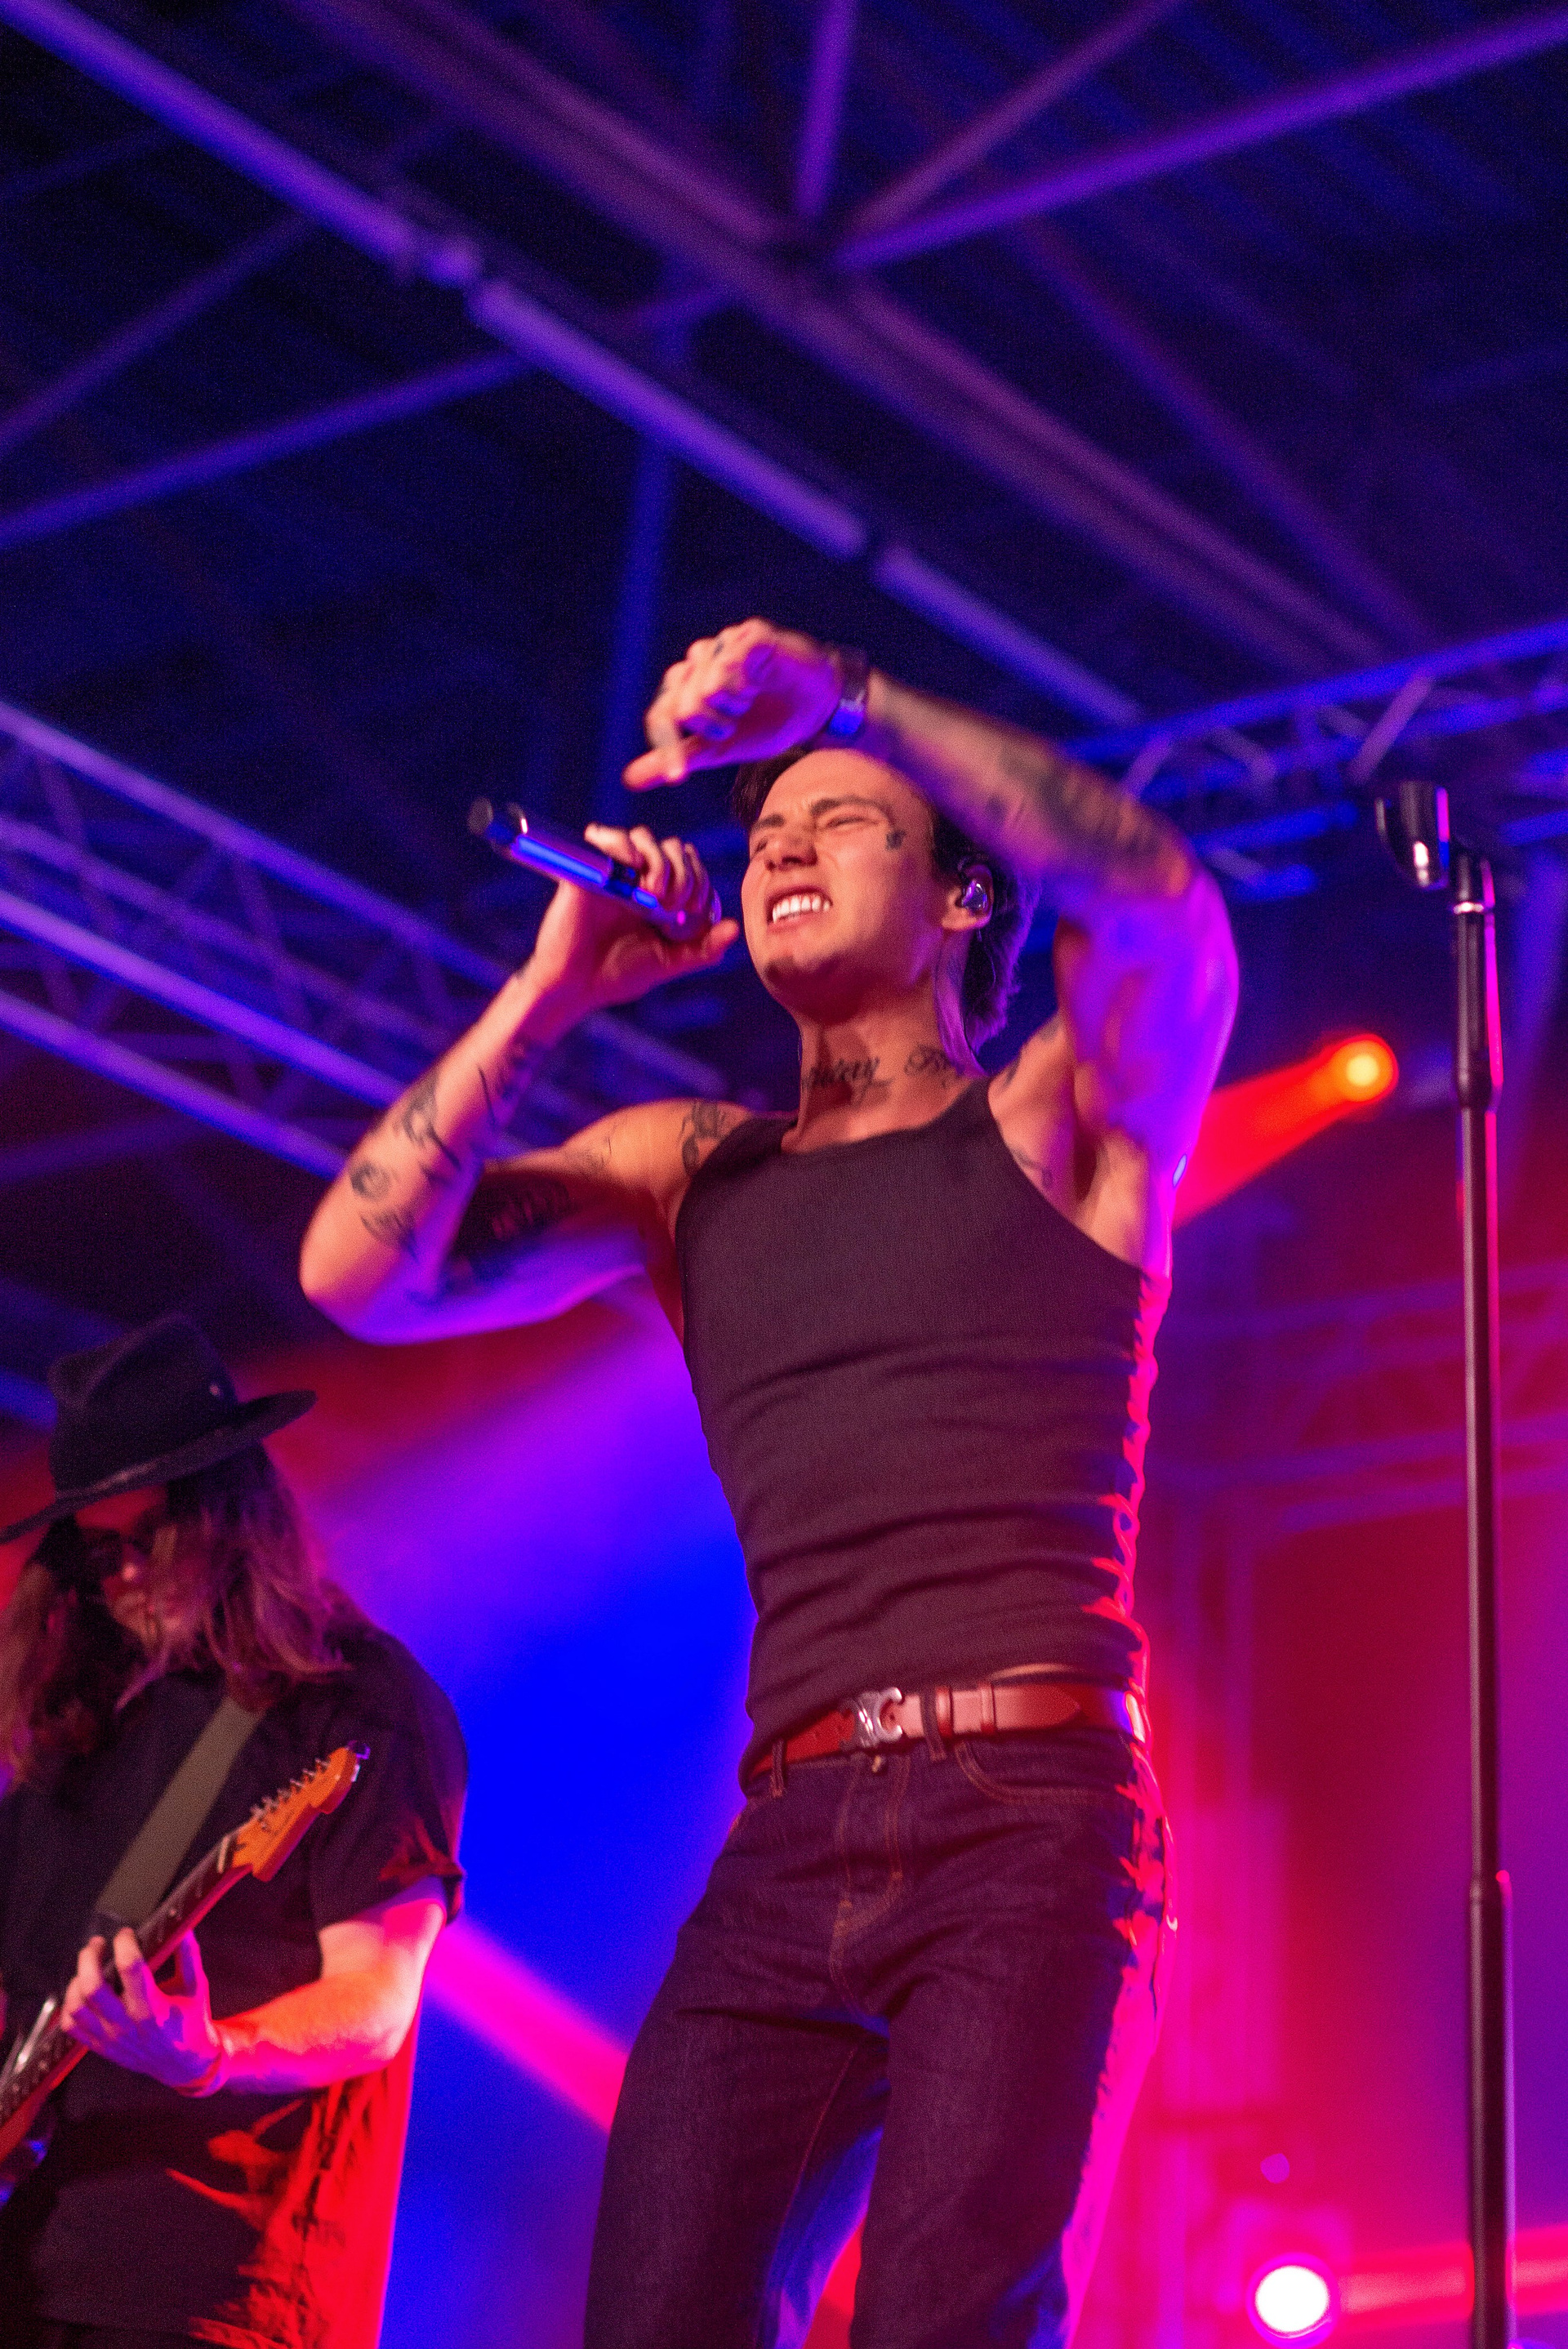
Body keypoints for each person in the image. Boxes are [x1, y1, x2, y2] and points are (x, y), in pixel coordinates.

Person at [299, 617, 1237, 2348]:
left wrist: (857, 699)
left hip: (1032, 1811)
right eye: (768, 829)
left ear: (962, 896)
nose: (784, 843)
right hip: (793, 1828)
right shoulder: (688, 1172)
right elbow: (360, 1275)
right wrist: (553, 989)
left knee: (948, 2318)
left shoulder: (1056, 1121)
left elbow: (1164, 907)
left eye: (843, 818)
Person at [0, 1313, 466, 2349]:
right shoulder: (75, 1737)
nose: (124, 1574)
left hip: (214, 2289)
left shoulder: (354, 1702)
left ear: (231, 1509)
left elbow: (376, 1998)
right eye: (97, 1551)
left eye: (150, 1535)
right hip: (30, 2267)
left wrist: (211, 2054)